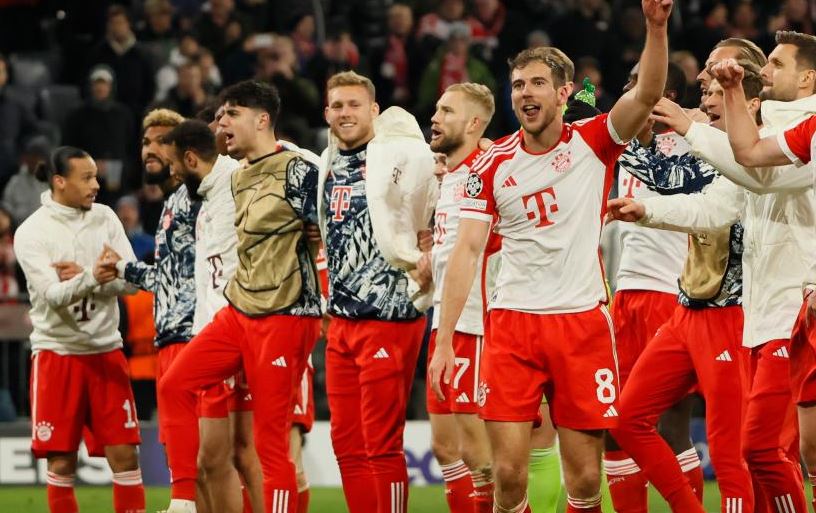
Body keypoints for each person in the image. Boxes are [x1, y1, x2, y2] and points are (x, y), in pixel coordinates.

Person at [430, 1, 673, 511]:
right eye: (518, 85)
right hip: (512, 325)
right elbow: (466, 251)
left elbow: (647, 94)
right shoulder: (492, 164)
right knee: (508, 475)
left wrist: (655, 27)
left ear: (563, 93)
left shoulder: (594, 138)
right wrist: (445, 339)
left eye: (538, 83)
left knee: (584, 480)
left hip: (581, 324)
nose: (525, 93)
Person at [650, 31, 816, 512]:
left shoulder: (809, 129)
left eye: (778, 64)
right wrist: (645, 210)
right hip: (764, 314)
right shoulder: (778, 131)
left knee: (765, 448)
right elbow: (745, 165)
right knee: (777, 451)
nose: (767, 70)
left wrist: (690, 127)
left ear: (807, 78)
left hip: (795, 309)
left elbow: (759, 175)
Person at [156, 80, 321, 513]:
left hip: (286, 313)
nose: (221, 122)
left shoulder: (300, 167)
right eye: (219, 114)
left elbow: (332, 225)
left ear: (262, 120)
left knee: (268, 446)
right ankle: (182, 502)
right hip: (239, 310)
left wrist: (319, 234)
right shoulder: (238, 175)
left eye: (231, 113)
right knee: (175, 384)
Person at [607, 68, 764, 513]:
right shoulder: (701, 150)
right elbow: (670, 178)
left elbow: (701, 202)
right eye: (706, 91)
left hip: (728, 313)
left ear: (750, 103)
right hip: (683, 308)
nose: (707, 99)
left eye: (718, 91)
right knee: (626, 419)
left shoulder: (754, 157)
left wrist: (647, 207)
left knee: (729, 452)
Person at [318, 70, 436, 513]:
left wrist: (432, 249)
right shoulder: (326, 163)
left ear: (374, 111)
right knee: (346, 444)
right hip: (341, 322)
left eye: (354, 105)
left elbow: (447, 192)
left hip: (391, 316)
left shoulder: (405, 155)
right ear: (326, 113)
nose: (345, 113)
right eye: (337, 105)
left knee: (381, 444)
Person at [14, 146, 144, 513]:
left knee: (126, 456)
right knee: (61, 462)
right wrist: (96, 275)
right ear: (59, 182)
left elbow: (131, 282)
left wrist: (89, 275)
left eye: (95, 177)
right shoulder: (32, 232)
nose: (96, 185)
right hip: (57, 355)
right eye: (86, 178)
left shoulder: (106, 218)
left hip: (106, 351)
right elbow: (53, 295)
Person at [603, 61, 702, 513]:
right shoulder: (624, 145)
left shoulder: (689, 145)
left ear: (670, 97)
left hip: (669, 293)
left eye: (639, 80)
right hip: (623, 294)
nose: (629, 87)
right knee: (614, 425)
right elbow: (583, 108)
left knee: (670, 425)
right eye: (628, 79)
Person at [103, 108, 209, 512]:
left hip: (195, 333)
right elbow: (169, 277)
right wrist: (121, 269)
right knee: (184, 449)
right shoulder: (171, 203)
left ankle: (184, 504)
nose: (150, 149)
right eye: (146, 142)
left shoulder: (198, 196)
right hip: (171, 335)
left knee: (214, 455)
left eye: (162, 141)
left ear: (185, 149)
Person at [426, 82, 495, 513]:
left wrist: (489, 148)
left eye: (447, 111)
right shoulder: (446, 174)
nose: (435, 118)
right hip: (443, 319)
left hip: (474, 323)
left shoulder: (488, 169)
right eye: (437, 109)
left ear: (473, 124)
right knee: (444, 447)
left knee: (480, 456)